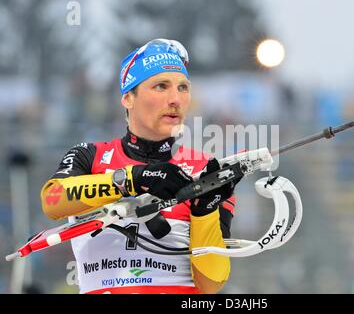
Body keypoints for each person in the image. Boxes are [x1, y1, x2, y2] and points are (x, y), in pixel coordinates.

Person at [40, 39, 238, 294]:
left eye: (183, 88)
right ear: (128, 98)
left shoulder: (205, 168)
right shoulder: (90, 156)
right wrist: (133, 178)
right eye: (160, 86)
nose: (175, 99)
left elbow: (211, 283)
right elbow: (53, 200)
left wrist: (204, 211)